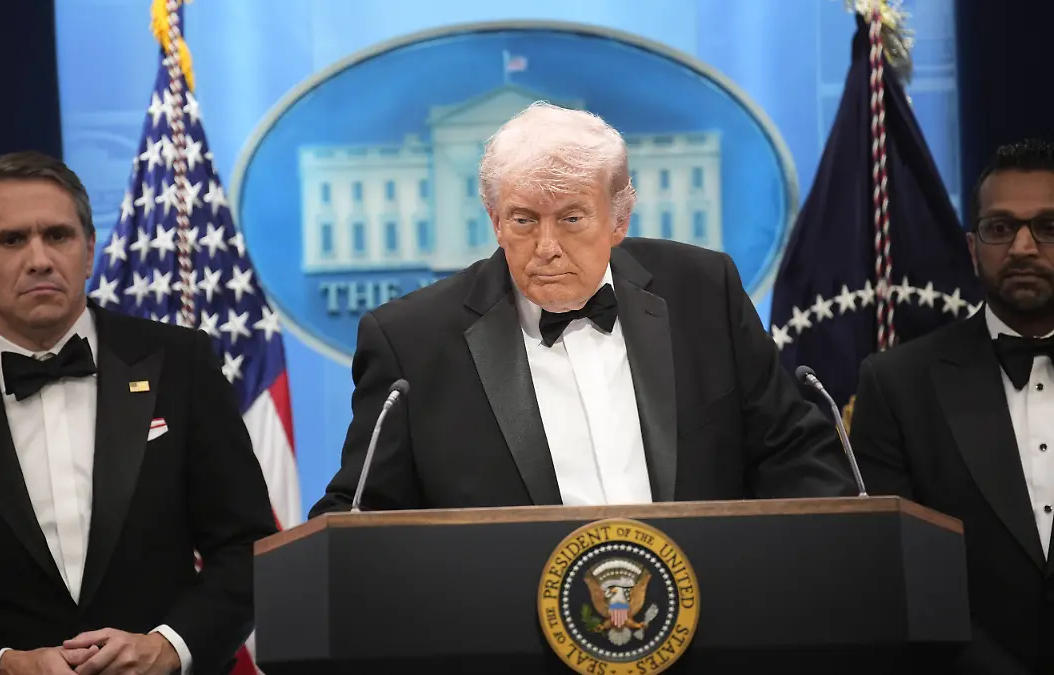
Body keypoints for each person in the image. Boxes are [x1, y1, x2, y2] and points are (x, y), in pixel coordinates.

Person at [309, 102, 854, 516]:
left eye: (571, 218)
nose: (546, 246)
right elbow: (358, 513)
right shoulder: (413, 341)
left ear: (620, 217)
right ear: (495, 220)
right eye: (523, 220)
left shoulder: (703, 292)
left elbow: (794, 455)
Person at [0, 151, 278, 675]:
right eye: (11, 240)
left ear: (90, 249)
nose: (39, 259)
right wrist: (0, 666)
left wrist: (169, 647)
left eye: (58, 236)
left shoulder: (181, 363)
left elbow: (249, 549)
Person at [849, 138, 1054, 674]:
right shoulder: (897, 384)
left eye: (1048, 227)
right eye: (1000, 228)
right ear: (972, 246)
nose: (1024, 248)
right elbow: (898, 575)